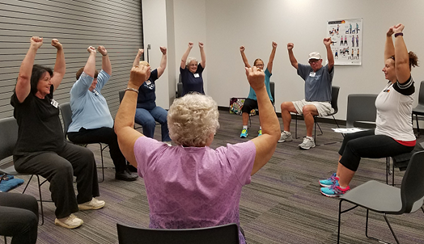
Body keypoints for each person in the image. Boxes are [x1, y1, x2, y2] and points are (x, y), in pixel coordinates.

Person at [114, 58, 280, 244]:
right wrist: (260, 88)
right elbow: (272, 133)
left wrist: (133, 84)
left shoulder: (152, 156)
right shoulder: (232, 160)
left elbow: (122, 128)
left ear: (172, 129)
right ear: (212, 132)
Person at [11, 37, 104, 229]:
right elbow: (23, 77)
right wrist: (33, 48)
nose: (49, 82)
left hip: (57, 147)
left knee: (86, 155)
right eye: (45, 79)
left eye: (49, 79)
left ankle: (85, 199)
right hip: (31, 154)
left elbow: (60, 71)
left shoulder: (47, 95)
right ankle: (63, 215)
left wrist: (60, 50)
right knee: (62, 167)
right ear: (35, 81)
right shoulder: (25, 100)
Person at [320, 24, 418, 197]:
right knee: (349, 138)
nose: (383, 68)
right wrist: (388, 36)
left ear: (398, 70)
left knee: (354, 147)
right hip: (384, 131)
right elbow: (392, 58)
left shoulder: (404, 87)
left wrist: (399, 34)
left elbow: (401, 62)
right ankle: (338, 177)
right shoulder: (391, 84)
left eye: (387, 67)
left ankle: (341, 186)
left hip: (399, 139)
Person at [67, 46, 137, 181]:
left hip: (99, 129)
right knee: (113, 135)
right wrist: (92, 54)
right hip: (80, 132)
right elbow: (87, 75)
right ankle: (120, 171)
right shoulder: (78, 92)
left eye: (96, 79)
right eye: (92, 79)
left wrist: (105, 55)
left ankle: (130, 164)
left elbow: (107, 72)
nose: (95, 81)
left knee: (124, 131)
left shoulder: (95, 89)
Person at [279, 38, 335, 150]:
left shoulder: (325, 71)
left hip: (323, 104)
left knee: (306, 109)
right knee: (284, 105)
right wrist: (290, 50)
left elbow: (331, 62)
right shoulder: (307, 70)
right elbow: (294, 63)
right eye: (311, 61)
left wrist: (328, 46)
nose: (314, 63)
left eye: (316, 60)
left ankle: (309, 139)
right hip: (307, 102)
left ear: (321, 61)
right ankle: (287, 133)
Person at [132, 47, 171, 143]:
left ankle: (166, 143)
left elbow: (162, 67)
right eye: (145, 70)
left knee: (168, 117)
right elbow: (134, 68)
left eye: (149, 70)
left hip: (152, 107)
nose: (148, 72)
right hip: (139, 108)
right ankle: (148, 145)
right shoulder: (137, 79)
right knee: (149, 122)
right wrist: (138, 55)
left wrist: (164, 54)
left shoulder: (151, 77)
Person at [239, 42, 276, 138]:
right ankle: (244, 128)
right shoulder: (252, 73)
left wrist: (274, 49)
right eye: (258, 65)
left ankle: (261, 129)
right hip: (252, 98)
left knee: (262, 109)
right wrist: (242, 52)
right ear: (254, 66)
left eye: (261, 65)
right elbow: (246, 63)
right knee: (245, 106)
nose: (260, 66)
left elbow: (271, 61)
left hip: (265, 99)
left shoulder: (266, 74)